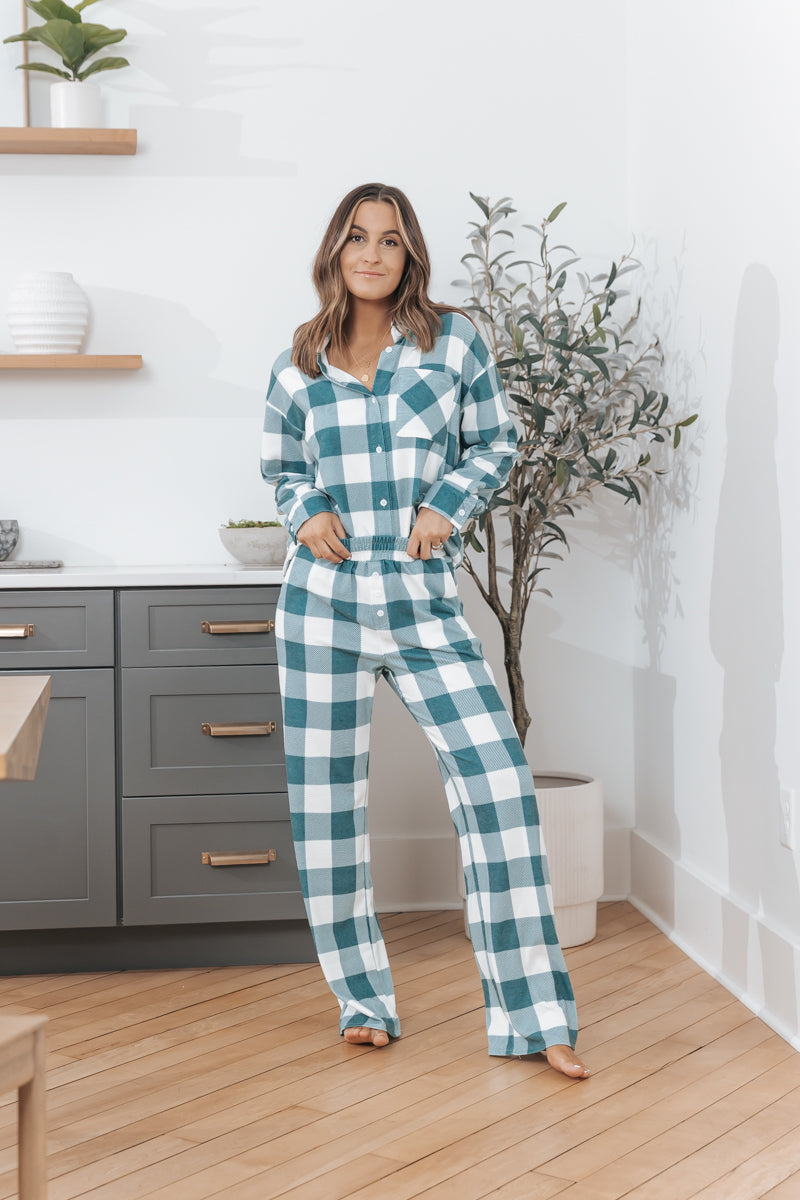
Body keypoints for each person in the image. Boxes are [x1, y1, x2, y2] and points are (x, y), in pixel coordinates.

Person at [260, 182, 589, 1079]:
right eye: (357, 237)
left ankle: (536, 1018)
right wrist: (305, 511)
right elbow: (281, 468)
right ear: (335, 250)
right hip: (321, 604)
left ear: (410, 255)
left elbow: (496, 442)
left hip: (421, 603)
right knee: (327, 811)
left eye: (390, 240)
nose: (371, 253)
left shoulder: (452, 342)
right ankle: (362, 1002)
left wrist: (447, 507)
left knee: (500, 789)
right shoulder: (298, 361)